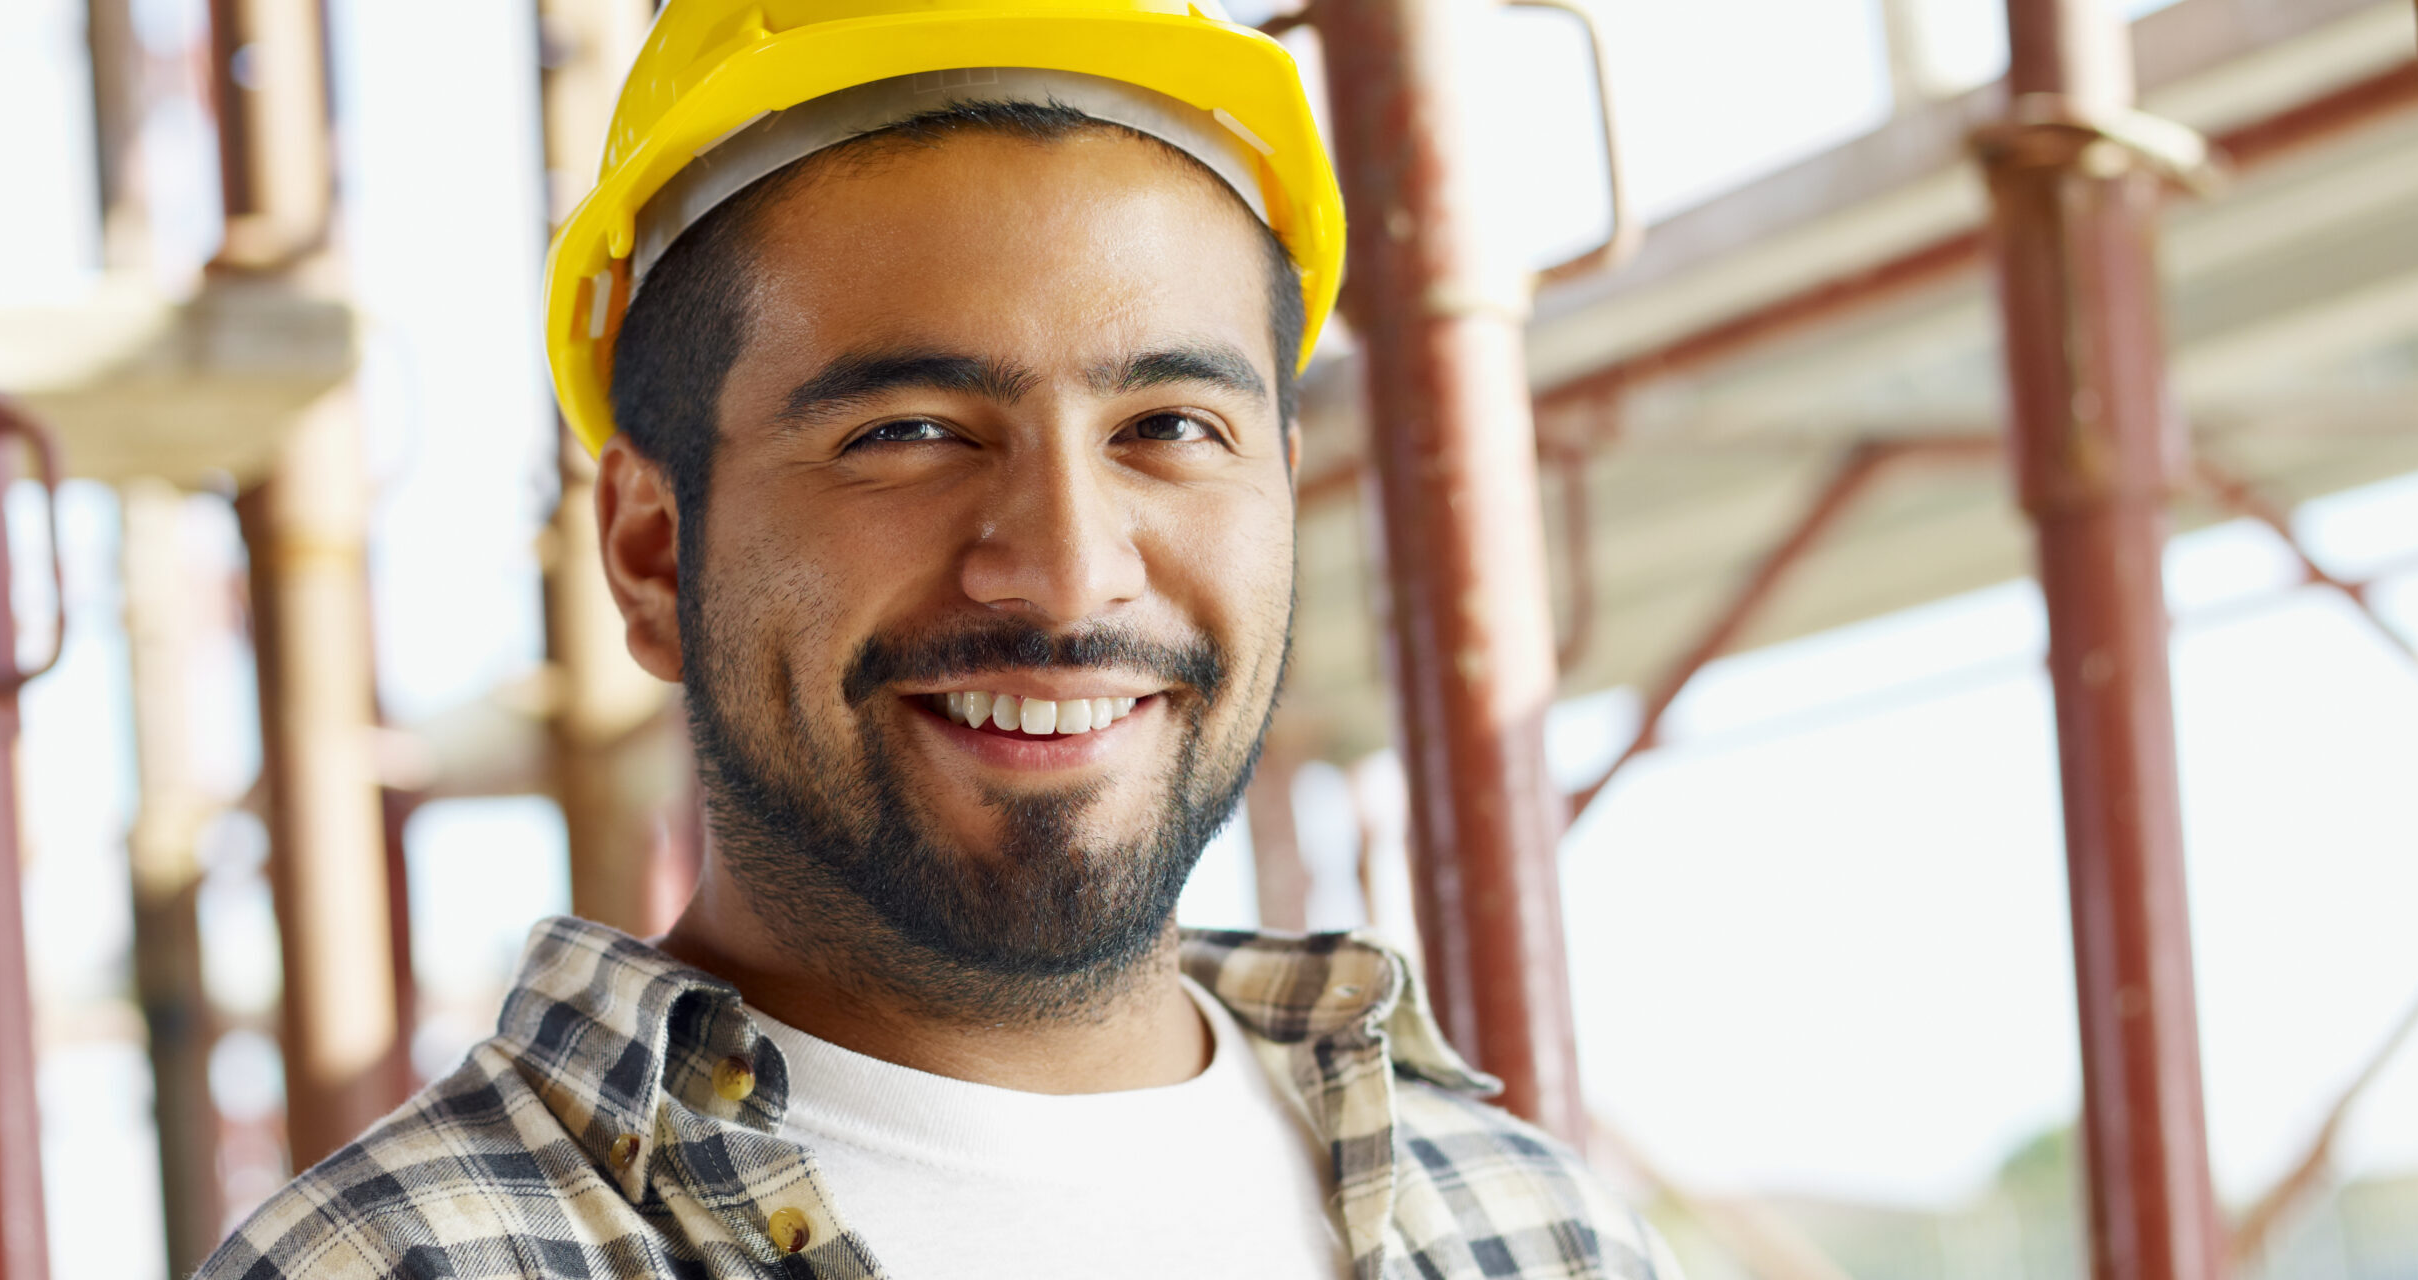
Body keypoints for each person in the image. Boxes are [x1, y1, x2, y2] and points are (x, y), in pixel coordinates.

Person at [203, 1, 1681, 1276]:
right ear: (654, 551)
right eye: (907, 432)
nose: (1065, 572)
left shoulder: (1531, 1228)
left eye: (1169, 427)